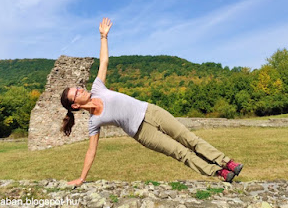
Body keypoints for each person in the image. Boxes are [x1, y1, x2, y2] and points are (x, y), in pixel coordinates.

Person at [60, 18, 243, 186]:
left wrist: (103, 37)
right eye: (76, 92)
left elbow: (104, 61)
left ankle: (227, 162)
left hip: (151, 111)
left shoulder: (97, 87)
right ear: (75, 105)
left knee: (190, 139)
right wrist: (82, 178)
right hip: (143, 133)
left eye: (78, 88)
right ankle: (219, 172)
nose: (80, 89)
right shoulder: (94, 122)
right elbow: (91, 151)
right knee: (181, 153)